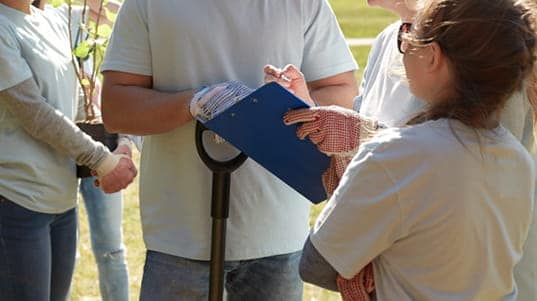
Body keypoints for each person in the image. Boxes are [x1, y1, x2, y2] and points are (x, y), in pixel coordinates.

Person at [100, 0, 358, 299]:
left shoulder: (303, 3)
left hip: (276, 230)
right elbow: (117, 106)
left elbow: (341, 91)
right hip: (180, 234)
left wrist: (299, 103)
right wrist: (192, 103)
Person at [296, 0, 537, 299]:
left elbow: (316, 264)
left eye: (410, 34)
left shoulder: (391, 155)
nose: (403, 41)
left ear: (432, 56)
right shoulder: (519, 159)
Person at [0, 0, 137, 299]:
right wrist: (102, 160)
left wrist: (120, 140)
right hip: (16, 204)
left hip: (63, 205)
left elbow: (74, 102)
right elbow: (35, 113)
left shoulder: (51, 21)